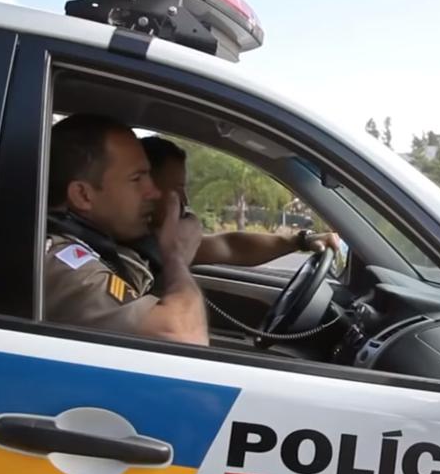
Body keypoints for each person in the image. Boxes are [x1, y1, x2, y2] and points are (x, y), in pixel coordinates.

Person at [43, 114, 208, 346]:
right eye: (136, 179)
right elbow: (185, 336)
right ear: (83, 195)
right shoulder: (64, 263)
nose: (154, 192)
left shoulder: (110, 245)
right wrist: (175, 257)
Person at [140, 136, 340, 266]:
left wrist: (300, 240)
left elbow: (231, 247)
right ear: (145, 189)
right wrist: (177, 264)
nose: (185, 200)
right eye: (176, 189)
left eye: (183, 189)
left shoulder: (158, 241)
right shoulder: (121, 257)